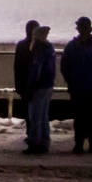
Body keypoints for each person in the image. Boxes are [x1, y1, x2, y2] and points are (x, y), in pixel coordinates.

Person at [61, 17, 92, 154]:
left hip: (78, 89)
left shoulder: (71, 46)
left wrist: (71, 81)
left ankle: (79, 145)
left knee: (80, 118)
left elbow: (65, 67)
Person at [24, 25, 57, 155]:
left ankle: (34, 142)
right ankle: (44, 141)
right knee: (43, 115)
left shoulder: (39, 50)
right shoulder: (50, 48)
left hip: (39, 87)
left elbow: (36, 71)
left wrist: (30, 87)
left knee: (35, 116)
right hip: (48, 85)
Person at [13, 20, 40, 101]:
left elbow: (17, 67)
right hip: (35, 84)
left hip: (24, 84)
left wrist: (18, 86)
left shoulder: (21, 45)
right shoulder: (41, 46)